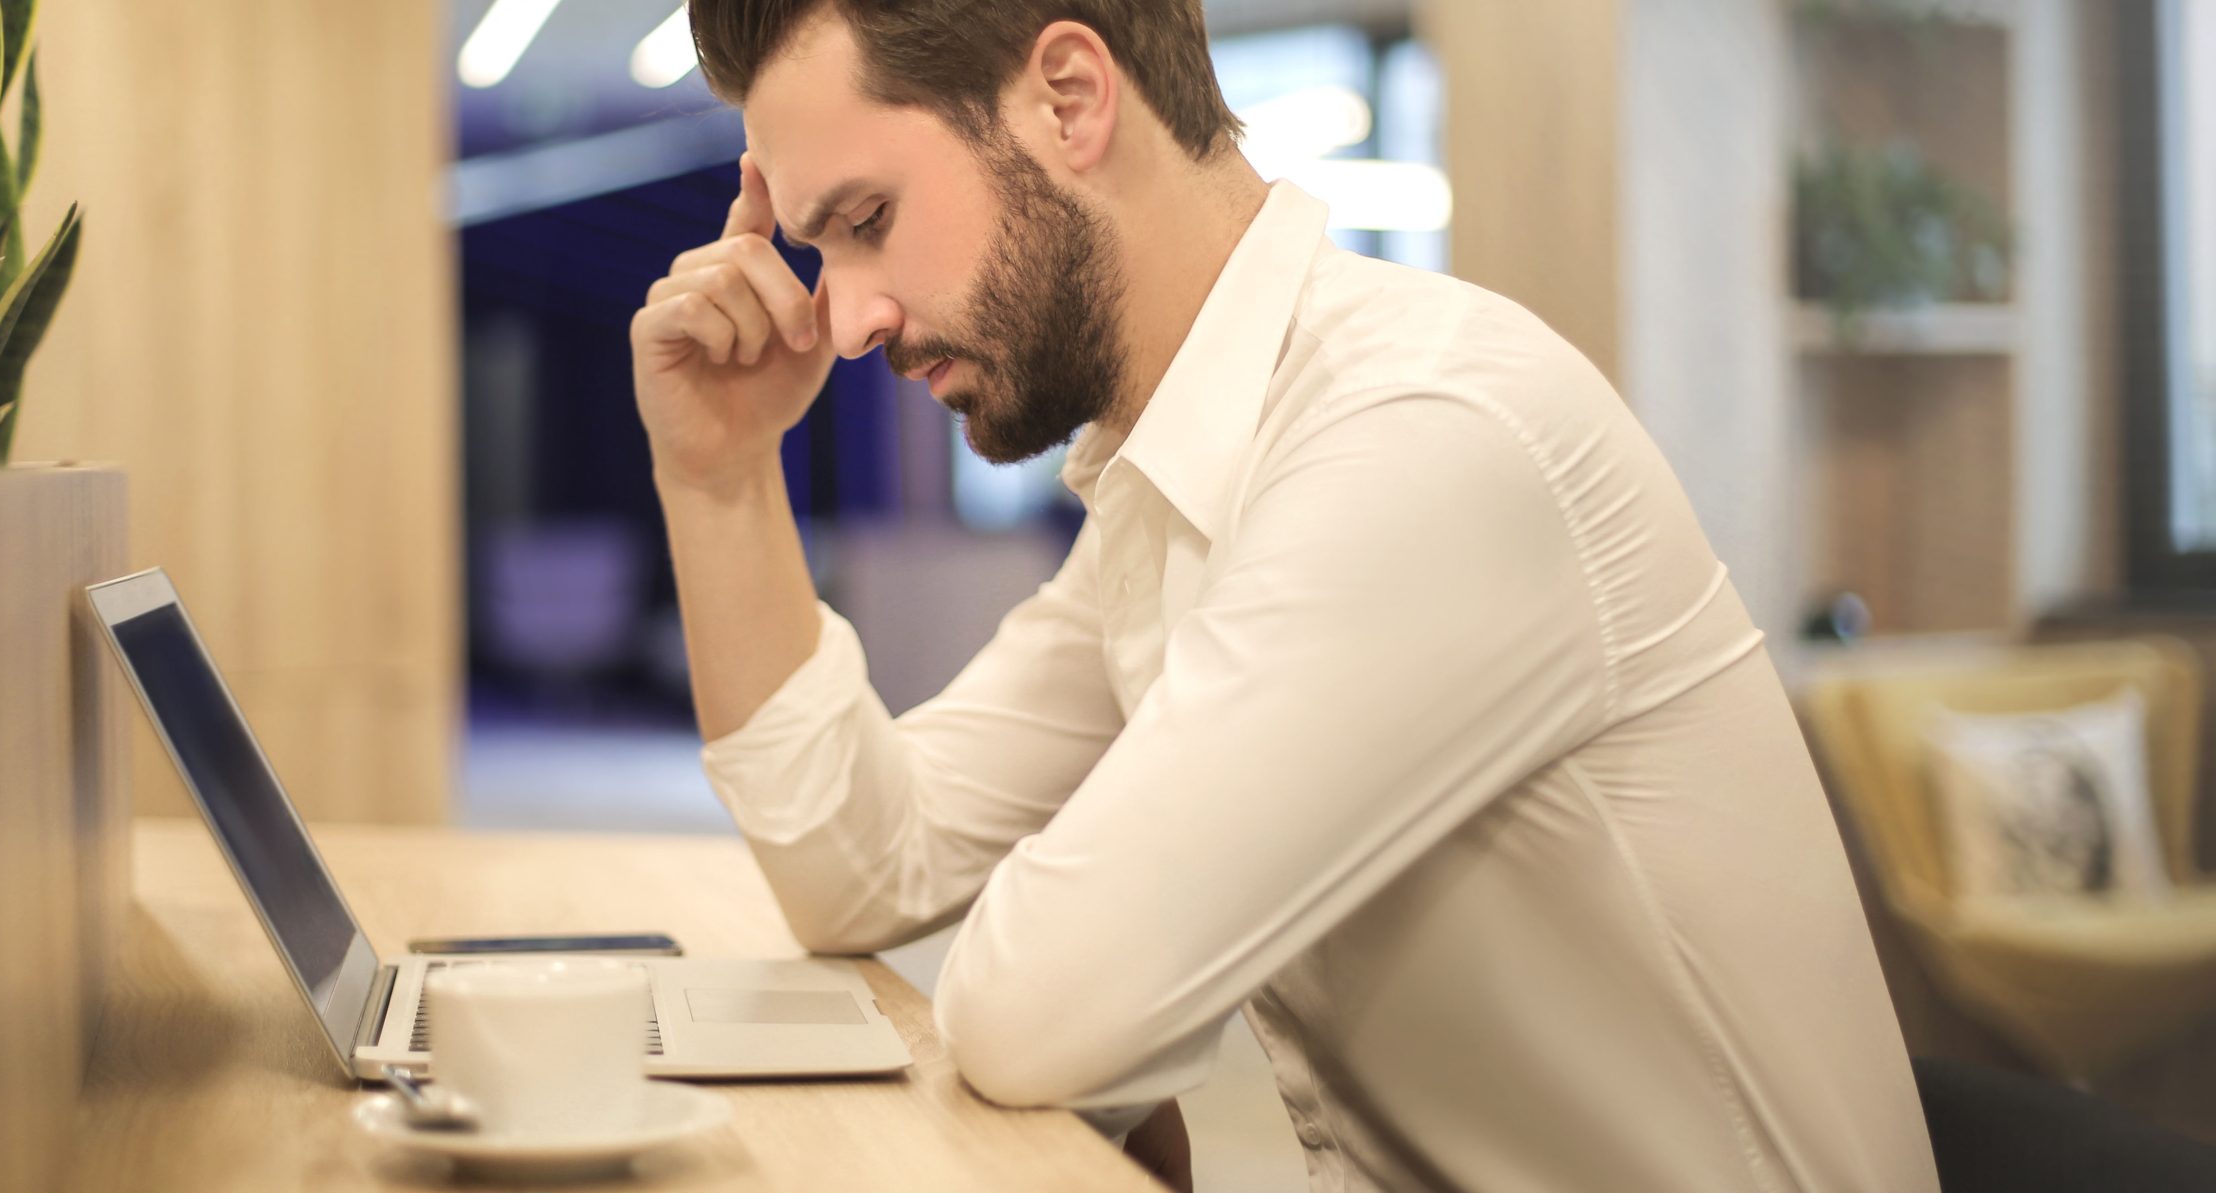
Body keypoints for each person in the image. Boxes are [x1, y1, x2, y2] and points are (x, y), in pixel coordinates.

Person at [625, 2, 1939, 1189]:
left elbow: (1042, 1011)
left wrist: (1096, 1008)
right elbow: (866, 868)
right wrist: (723, 475)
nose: (845, 317)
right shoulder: (1180, 481)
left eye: (867, 222)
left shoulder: (1419, 437)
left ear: (1071, 99)